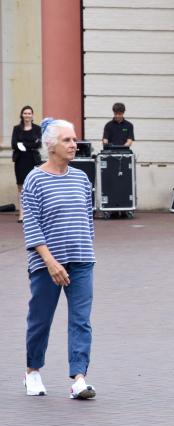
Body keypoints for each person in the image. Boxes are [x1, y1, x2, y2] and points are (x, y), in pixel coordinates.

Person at [21, 118, 97, 399]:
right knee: (40, 320)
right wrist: (50, 262)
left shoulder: (81, 178)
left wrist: (86, 249)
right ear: (51, 145)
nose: (73, 144)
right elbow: (32, 225)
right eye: (67, 140)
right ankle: (32, 372)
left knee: (81, 320)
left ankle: (79, 378)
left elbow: (87, 219)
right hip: (45, 264)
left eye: (74, 139)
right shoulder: (35, 179)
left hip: (81, 260)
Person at [11, 106, 42, 223]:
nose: (27, 115)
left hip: (33, 160)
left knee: (34, 186)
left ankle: (34, 213)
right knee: (21, 187)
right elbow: (14, 144)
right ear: (22, 115)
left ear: (32, 115)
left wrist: (23, 144)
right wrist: (30, 144)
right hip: (20, 160)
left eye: (29, 113)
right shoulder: (17, 129)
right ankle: (22, 214)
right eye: (25, 113)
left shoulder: (37, 129)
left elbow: (38, 144)